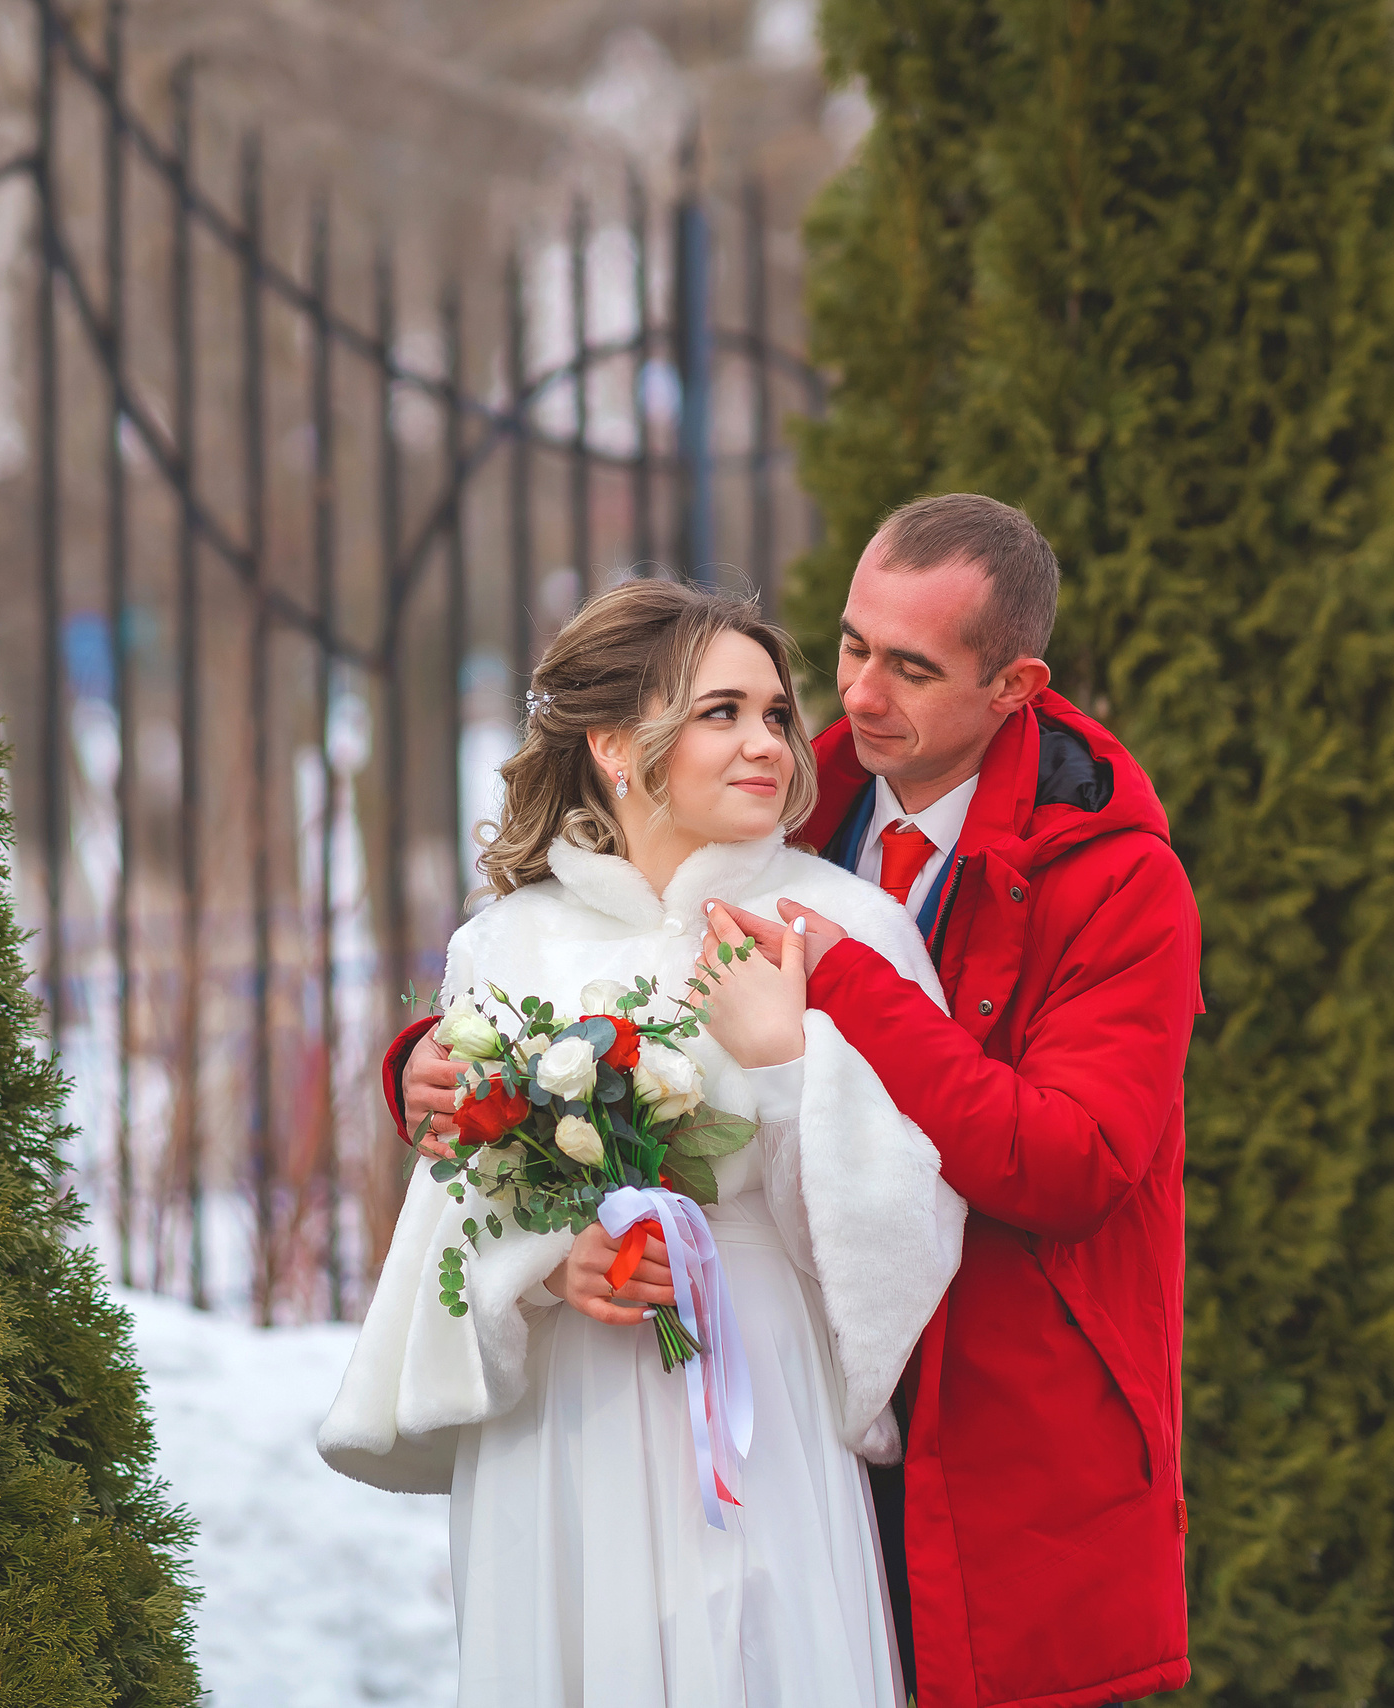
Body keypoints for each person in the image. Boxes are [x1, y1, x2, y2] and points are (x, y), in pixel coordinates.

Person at [389, 495, 1203, 1708]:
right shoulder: (804, 809)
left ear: (1014, 685)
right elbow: (626, 933)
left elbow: (1067, 1166)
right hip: (753, 1414)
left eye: (911, 667)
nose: (854, 698)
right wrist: (442, 1067)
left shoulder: (1115, 884)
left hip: (994, 1429)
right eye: (849, 647)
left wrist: (845, 995)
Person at [319, 577, 967, 1708]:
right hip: (567, 1418)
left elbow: (907, 1233)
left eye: (773, 712)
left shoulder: (851, 926)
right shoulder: (504, 948)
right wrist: (548, 1260)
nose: (768, 742)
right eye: (721, 712)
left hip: (760, 1394)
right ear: (617, 743)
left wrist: (781, 1069)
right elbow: (458, 1213)